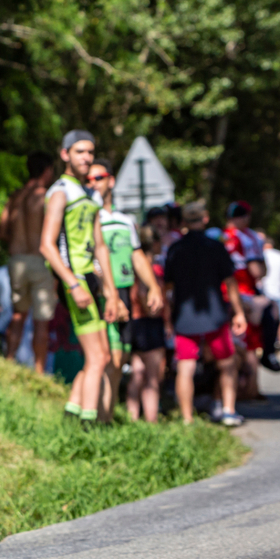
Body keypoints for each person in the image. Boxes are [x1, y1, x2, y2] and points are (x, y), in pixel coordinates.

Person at [39, 130, 119, 424]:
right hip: (75, 281)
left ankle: (73, 413)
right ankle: (89, 426)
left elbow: (100, 246)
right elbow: (46, 245)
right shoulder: (61, 191)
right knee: (97, 357)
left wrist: (111, 292)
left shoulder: (90, 194)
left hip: (91, 279)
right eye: (79, 152)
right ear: (65, 154)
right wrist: (72, 284)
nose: (86, 158)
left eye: (90, 152)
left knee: (103, 355)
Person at [89, 158, 162, 418]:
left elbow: (136, 255)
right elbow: (88, 259)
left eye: (98, 178)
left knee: (119, 360)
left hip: (124, 294)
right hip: (101, 295)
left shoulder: (125, 220)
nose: (93, 183)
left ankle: (106, 420)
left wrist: (153, 287)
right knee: (106, 358)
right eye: (88, 179)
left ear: (111, 181)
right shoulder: (87, 217)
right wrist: (108, 293)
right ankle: (98, 420)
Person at [165, 201, 248, 426]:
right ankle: (228, 411)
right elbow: (230, 282)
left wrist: (167, 318)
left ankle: (187, 418)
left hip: (184, 317)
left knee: (185, 366)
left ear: (183, 222)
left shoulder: (175, 249)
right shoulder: (216, 247)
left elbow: (167, 288)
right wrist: (239, 313)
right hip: (215, 315)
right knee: (227, 363)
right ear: (205, 218)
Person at [0, 150, 57, 374]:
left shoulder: (15, 196)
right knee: (42, 320)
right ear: (47, 171)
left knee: (18, 314)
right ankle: (39, 371)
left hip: (16, 260)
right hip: (39, 260)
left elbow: (2, 231)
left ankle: (9, 360)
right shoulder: (46, 197)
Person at [223, 201, 280, 376]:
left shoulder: (220, 235)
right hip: (241, 291)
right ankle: (268, 354)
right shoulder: (247, 237)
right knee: (269, 311)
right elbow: (257, 271)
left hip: (225, 292)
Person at [127, 226, 169, 422]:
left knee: (137, 372)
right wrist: (157, 312)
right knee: (152, 377)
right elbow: (142, 293)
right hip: (148, 323)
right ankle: (151, 421)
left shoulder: (133, 263)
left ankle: (132, 418)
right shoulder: (146, 266)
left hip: (135, 322)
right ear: (155, 243)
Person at [0, 265, 36, 366]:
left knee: (11, 360)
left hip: (7, 322)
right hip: (21, 325)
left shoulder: (0, 272)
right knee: (21, 363)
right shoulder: (31, 271)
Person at [260, 235, 280, 348]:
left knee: (264, 321)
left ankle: (265, 344)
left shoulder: (260, 254)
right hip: (279, 293)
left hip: (264, 292)